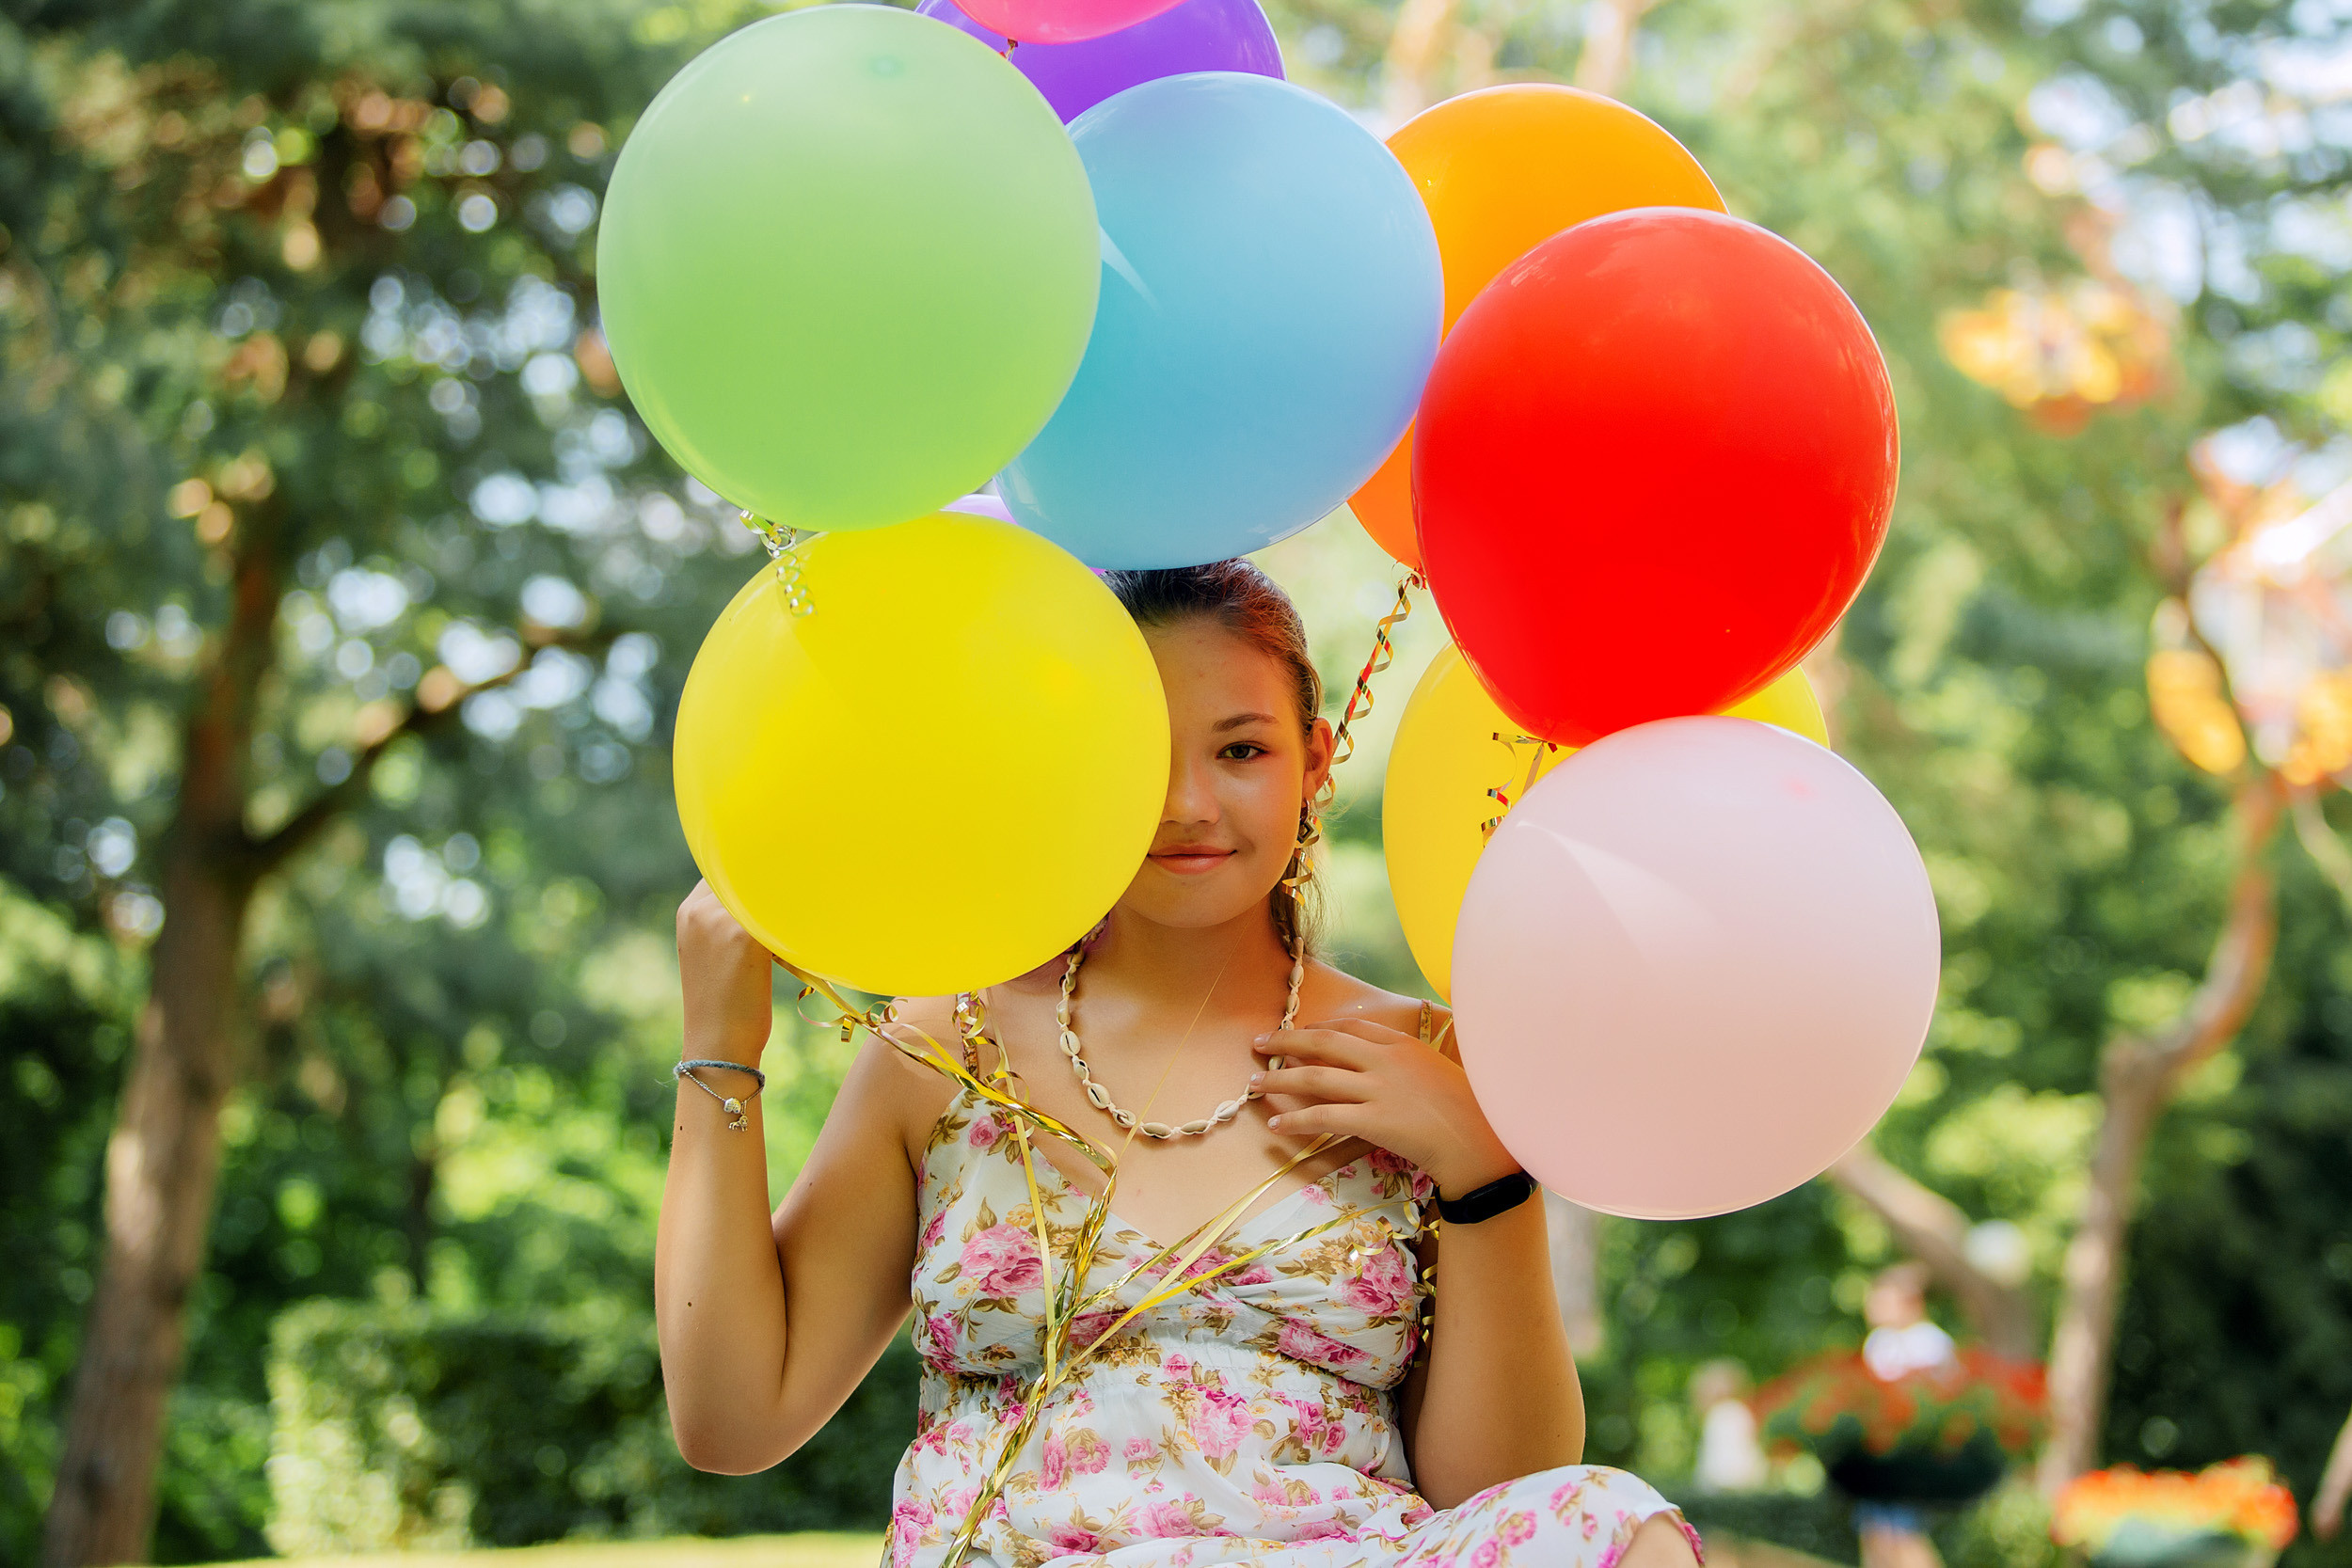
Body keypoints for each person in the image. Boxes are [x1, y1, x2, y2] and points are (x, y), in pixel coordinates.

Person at [657, 561, 1707, 1568]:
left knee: (1618, 1524)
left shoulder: (1426, 1061)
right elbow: (733, 1419)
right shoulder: (946, 1048)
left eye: (1240, 750)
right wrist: (721, 1045)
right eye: (1137, 754)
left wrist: (1486, 1171)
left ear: (1315, 760)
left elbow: (1501, 1495)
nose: (1189, 804)